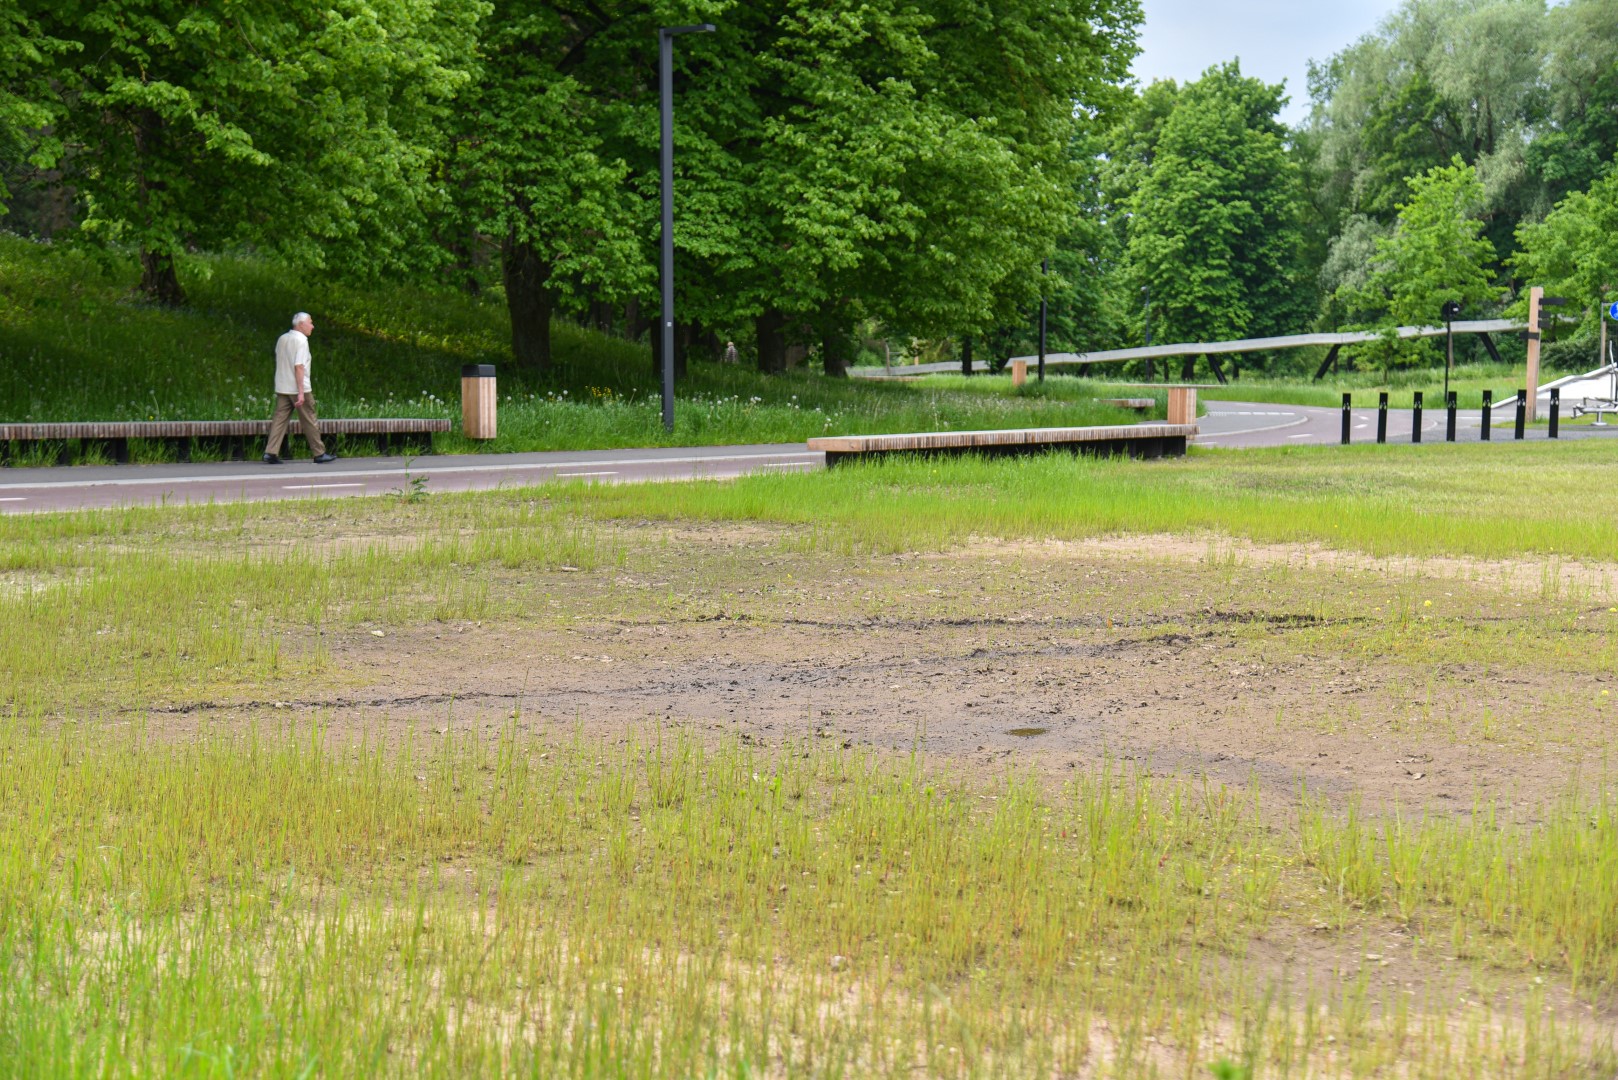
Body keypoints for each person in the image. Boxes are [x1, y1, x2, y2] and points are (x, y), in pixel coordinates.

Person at [264, 312, 336, 464]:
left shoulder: (282, 338)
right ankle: (319, 453)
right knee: (309, 419)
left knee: (279, 420)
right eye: (310, 322)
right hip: (298, 387)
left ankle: (271, 452)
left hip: (282, 386)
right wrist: (301, 392)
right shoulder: (302, 341)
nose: (312, 326)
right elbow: (299, 367)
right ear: (301, 324)